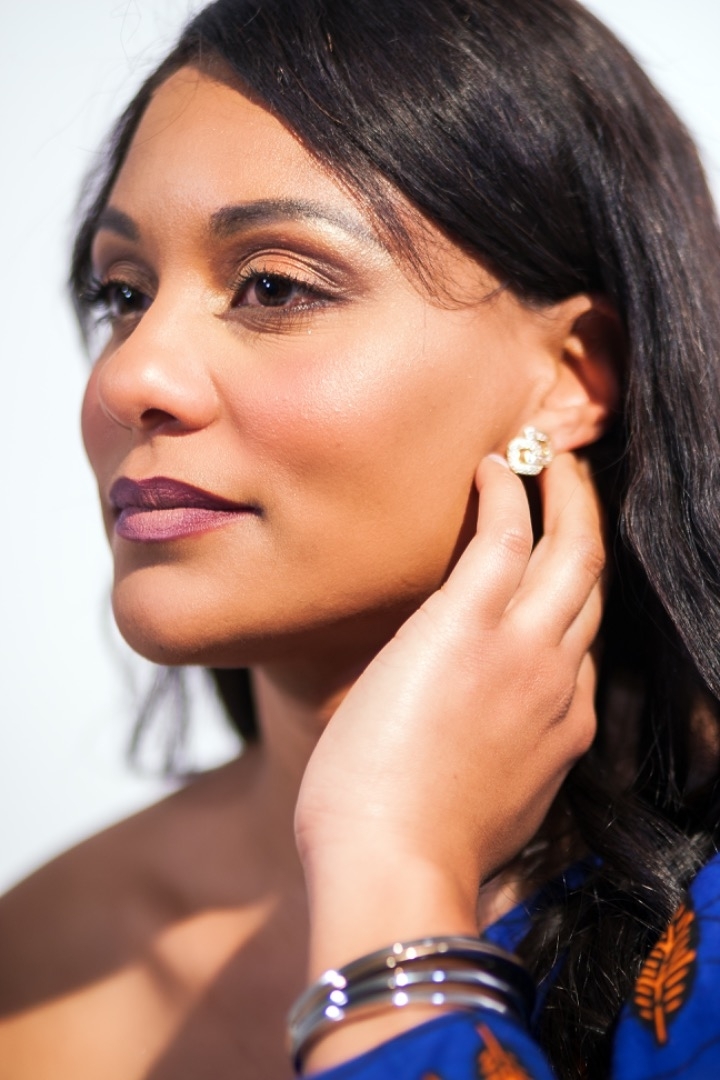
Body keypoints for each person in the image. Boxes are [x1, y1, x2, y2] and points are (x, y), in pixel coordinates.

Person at [2, 0, 720, 1076]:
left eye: (274, 286)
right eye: (123, 293)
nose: (129, 376)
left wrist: (392, 862)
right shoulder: (44, 958)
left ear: (573, 378)